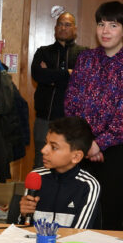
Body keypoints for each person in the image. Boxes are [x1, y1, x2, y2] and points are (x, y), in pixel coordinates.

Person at [64, 0, 123, 230]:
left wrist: (99, 144)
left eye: (113, 25)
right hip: (80, 151)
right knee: (76, 216)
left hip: (116, 155)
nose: (105, 31)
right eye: (101, 24)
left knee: (110, 219)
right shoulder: (85, 61)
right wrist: (86, 143)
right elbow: (70, 104)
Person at [18, 116, 99, 229]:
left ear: (76, 156)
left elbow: (79, 234)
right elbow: (22, 229)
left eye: (54, 147)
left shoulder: (88, 185)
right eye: (46, 143)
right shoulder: (36, 176)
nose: (43, 150)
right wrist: (23, 214)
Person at [30, 12, 85, 168]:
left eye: (68, 24)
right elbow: (37, 74)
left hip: (72, 122)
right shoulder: (43, 52)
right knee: (41, 162)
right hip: (44, 119)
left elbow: (83, 80)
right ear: (55, 28)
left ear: (75, 28)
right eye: (60, 24)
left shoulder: (84, 54)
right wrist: (67, 74)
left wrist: (51, 77)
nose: (63, 27)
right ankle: (37, 193)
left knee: (71, 164)